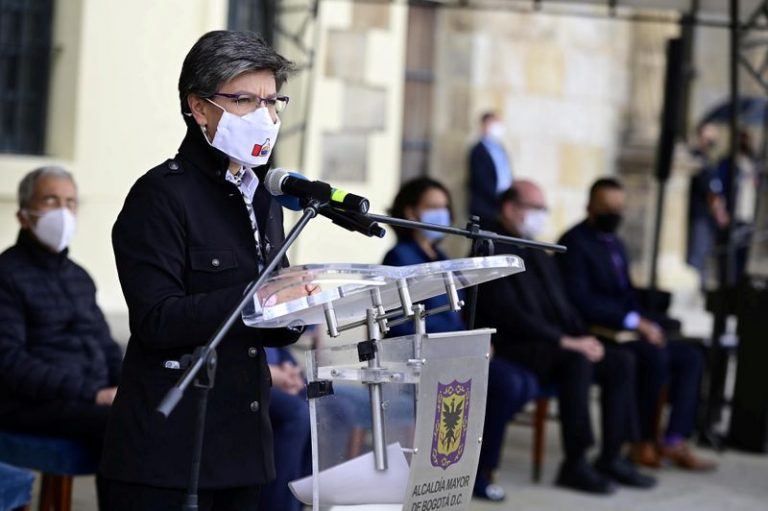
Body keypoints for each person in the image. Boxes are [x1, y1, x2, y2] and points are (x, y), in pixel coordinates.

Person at [99, 31, 310, 510]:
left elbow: (270, 321)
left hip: (242, 448)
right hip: (169, 456)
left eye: (272, 101)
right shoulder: (160, 196)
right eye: (245, 100)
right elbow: (157, 320)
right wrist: (259, 297)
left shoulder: (264, 197)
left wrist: (300, 305)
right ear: (199, 108)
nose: (265, 116)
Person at [476, 180, 654, 495]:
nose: (541, 215)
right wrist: (566, 342)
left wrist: (583, 337)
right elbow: (510, 314)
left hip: (555, 342)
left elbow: (563, 304)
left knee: (621, 361)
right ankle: (575, 462)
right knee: (577, 362)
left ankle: (612, 455)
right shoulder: (490, 248)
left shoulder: (533, 248)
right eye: (536, 208)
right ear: (510, 208)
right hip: (516, 346)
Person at [383, 177, 538, 501]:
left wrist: (474, 340)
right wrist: (458, 343)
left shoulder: (439, 254)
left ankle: (471, 461)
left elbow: (459, 311)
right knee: (506, 384)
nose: (442, 214)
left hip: (453, 352)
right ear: (411, 212)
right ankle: (477, 472)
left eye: (445, 207)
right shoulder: (401, 256)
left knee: (524, 381)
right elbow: (402, 323)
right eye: (433, 207)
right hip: (423, 354)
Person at [557, 177, 716, 471]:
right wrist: (634, 322)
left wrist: (646, 322)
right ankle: (640, 441)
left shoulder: (616, 243)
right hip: (598, 330)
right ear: (590, 206)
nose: (614, 214)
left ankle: (674, 439)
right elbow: (581, 300)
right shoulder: (574, 243)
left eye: (619, 208)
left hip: (628, 325)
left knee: (692, 356)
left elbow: (626, 293)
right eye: (607, 208)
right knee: (653, 357)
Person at [0, 166, 122, 460]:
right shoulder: (7, 274)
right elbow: (9, 361)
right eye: (50, 200)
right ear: (23, 216)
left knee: (157, 415)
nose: (63, 212)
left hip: (88, 397)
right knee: (125, 426)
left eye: (70, 202)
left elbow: (106, 345)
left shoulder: (79, 277)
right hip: (30, 402)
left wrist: (127, 387)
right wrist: (93, 394)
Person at [686, 123, 719, 288]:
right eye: (708, 136)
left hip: (707, 217)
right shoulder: (696, 158)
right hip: (699, 215)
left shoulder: (708, 160)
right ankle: (694, 289)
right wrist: (718, 210)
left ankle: (701, 288)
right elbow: (709, 191)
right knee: (697, 255)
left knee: (705, 254)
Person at [468, 111, 513, 226]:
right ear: (484, 125)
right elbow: (480, 180)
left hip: (502, 205)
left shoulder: (500, 148)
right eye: (494, 122)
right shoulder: (478, 150)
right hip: (486, 207)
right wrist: (499, 198)